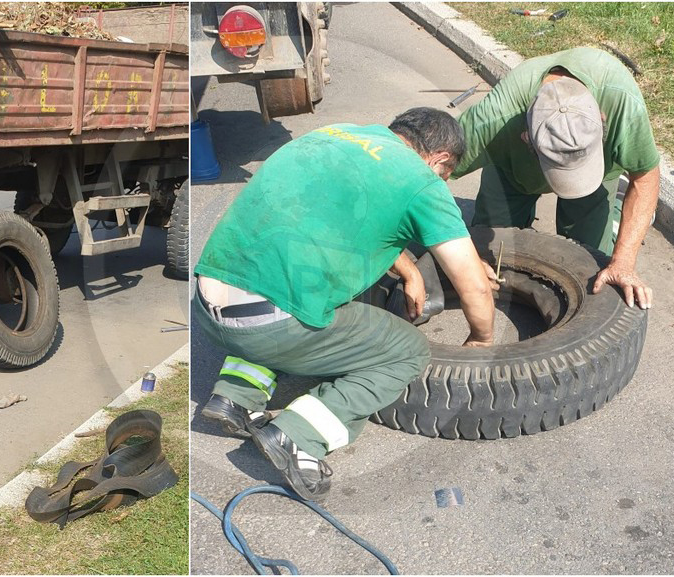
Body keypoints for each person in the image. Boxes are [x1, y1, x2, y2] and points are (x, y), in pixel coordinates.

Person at [193, 108, 497, 502]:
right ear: (440, 160)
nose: (441, 181)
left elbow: (349, 219)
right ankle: (299, 435)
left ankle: (236, 395)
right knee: (407, 350)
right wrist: (482, 338)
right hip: (271, 326)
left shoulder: (334, 133)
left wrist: (410, 271)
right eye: (445, 174)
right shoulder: (422, 181)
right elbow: (472, 282)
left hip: (208, 302)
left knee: (292, 277)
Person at [453, 46, 659, 309]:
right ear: (526, 136)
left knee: (590, 265)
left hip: (596, 178)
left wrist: (624, 260)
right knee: (492, 253)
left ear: (602, 119)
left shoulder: (622, 103)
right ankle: (519, 212)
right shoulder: (493, 120)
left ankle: (619, 212)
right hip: (514, 172)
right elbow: (426, 174)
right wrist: (465, 252)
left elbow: (646, 176)